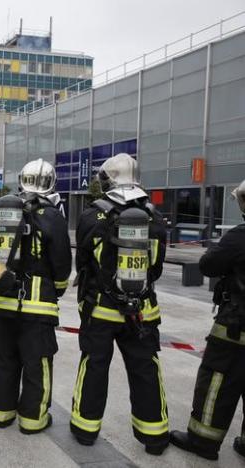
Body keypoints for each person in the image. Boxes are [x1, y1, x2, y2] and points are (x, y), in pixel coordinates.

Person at [71, 153, 169, 454]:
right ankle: (154, 437)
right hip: (142, 312)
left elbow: (83, 262)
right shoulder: (154, 216)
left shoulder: (92, 215)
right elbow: (156, 268)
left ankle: (85, 431)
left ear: (107, 178)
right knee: (146, 370)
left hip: (100, 309)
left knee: (94, 367)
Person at [0, 159, 71, 434]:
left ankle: (1, 414)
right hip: (38, 306)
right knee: (36, 363)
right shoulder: (53, 215)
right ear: (51, 183)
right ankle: (33, 420)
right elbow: (62, 263)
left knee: (4, 360)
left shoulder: (8, 210)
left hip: (4, 301)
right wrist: (58, 289)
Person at [170, 179, 245, 461]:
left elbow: (208, 265)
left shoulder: (238, 237)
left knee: (217, 381)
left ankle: (203, 440)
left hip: (236, 328)